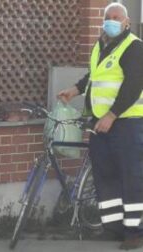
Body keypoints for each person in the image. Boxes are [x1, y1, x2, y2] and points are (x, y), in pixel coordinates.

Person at [58, 3, 143, 250]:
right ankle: (113, 228)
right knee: (106, 176)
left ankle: (134, 232)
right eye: (108, 18)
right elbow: (94, 78)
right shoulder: (100, 45)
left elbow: (133, 86)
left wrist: (112, 115)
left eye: (117, 18)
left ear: (127, 22)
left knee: (131, 177)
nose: (112, 21)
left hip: (127, 124)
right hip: (101, 124)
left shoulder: (134, 47)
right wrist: (75, 90)